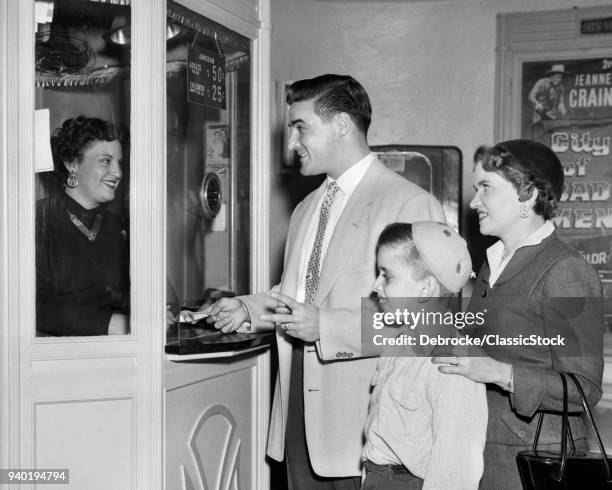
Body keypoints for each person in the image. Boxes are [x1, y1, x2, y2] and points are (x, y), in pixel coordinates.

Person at [203, 74, 445, 489]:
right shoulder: (306, 208)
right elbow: (300, 298)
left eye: (301, 128)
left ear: (342, 125)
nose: (293, 142)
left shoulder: (409, 203)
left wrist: (326, 327)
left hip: (360, 423)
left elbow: (429, 321)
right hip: (296, 409)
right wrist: (249, 308)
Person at [432, 139, 604, 490]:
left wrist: (499, 373)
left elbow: (585, 388)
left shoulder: (565, 269)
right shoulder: (491, 263)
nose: (473, 201)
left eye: (486, 188)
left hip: (533, 460)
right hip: (481, 449)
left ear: (527, 195)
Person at [362, 221, 487, 490]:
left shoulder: (454, 360)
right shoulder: (400, 341)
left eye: (387, 275)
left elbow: (456, 469)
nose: (375, 286)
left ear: (425, 289)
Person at [36, 116, 130, 336]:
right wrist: (113, 324)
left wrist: (147, 312)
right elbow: (35, 307)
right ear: (73, 164)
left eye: (119, 162)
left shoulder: (118, 226)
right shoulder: (37, 219)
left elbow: (122, 295)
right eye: (106, 161)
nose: (118, 173)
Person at [528, 64, 568, 143]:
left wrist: (563, 111)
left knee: (551, 140)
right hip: (539, 116)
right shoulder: (541, 82)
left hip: (551, 118)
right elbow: (531, 96)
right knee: (538, 140)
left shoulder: (561, 88)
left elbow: (560, 102)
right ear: (551, 76)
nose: (558, 79)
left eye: (560, 77)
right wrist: (537, 104)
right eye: (557, 77)